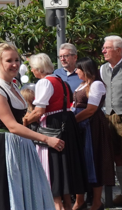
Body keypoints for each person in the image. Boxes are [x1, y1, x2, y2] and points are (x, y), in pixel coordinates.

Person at [0, 43, 59, 210]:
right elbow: (12, 126)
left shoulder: (13, 86)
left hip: (20, 145)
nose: (14, 64)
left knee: (27, 191)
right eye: (9, 60)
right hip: (3, 147)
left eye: (17, 60)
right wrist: (46, 139)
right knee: (5, 194)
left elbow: (21, 120)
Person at [23, 53, 86, 209]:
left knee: (52, 167)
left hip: (52, 126)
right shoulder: (61, 81)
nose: (32, 71)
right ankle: (66, 204)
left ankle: (57, 205)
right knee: (63, 167)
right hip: (66, 123)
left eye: (33, 68)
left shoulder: (44, 82)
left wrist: (24, 122)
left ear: (39, 68)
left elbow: (39, 111)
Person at [72, 56, 113, 210]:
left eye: (78, 69)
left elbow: (91, 110)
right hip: (81, 126)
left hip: (92, 127)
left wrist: (73, 121)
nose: (76, 72)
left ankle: (97, 202)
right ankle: (80, 200)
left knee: (94, 161)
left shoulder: (96, 85)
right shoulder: (83, 85)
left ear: (86, 70)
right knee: (81, 162)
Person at [100, 35, 122, 206]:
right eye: (103, 48)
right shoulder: (102, 69)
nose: (103, 51)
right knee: (117, 156)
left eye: (107, 48)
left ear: (118, 50)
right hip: (109, 117)